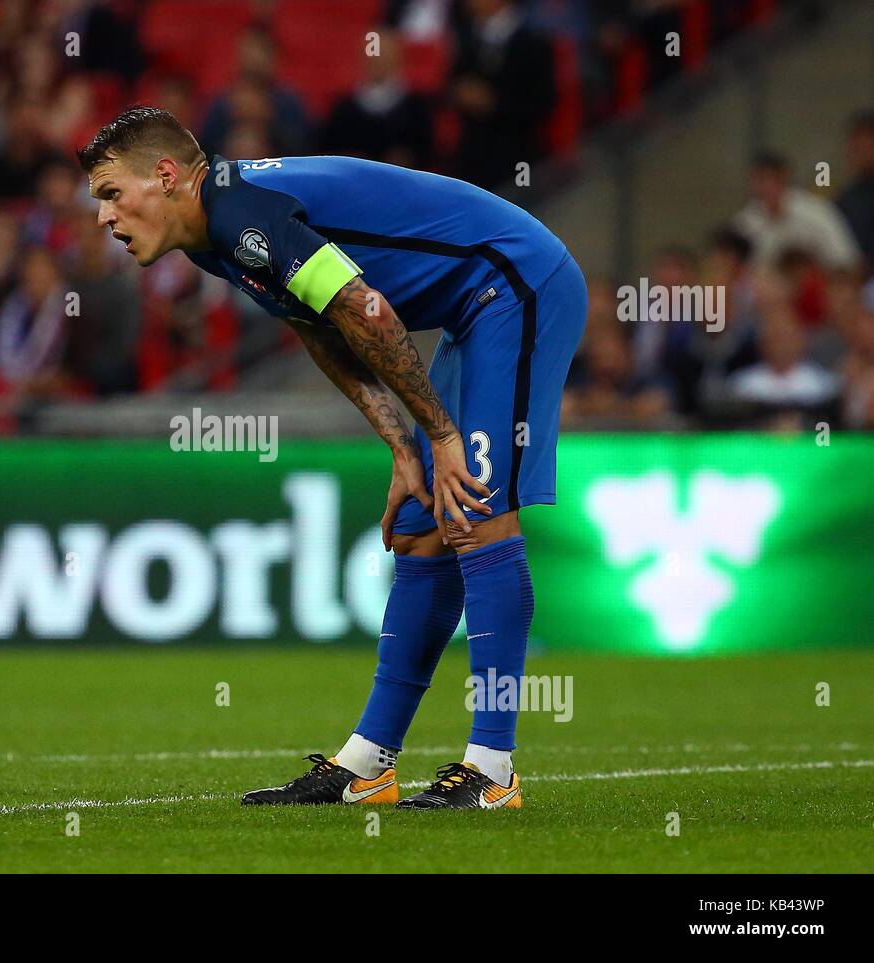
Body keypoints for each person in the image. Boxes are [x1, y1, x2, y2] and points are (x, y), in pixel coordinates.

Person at [78, 107, 587, 810]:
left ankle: (493, 769)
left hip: (519, 280)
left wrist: (438, 434)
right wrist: (404, 445)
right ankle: (368, 764)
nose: (103, 216)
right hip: (472, 303)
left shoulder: (239, 216)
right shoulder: (210, 235)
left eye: (111, 194)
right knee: (419, 525)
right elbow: (320, 325)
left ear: (166, 176)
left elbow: (368, 309)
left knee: (473, 506)